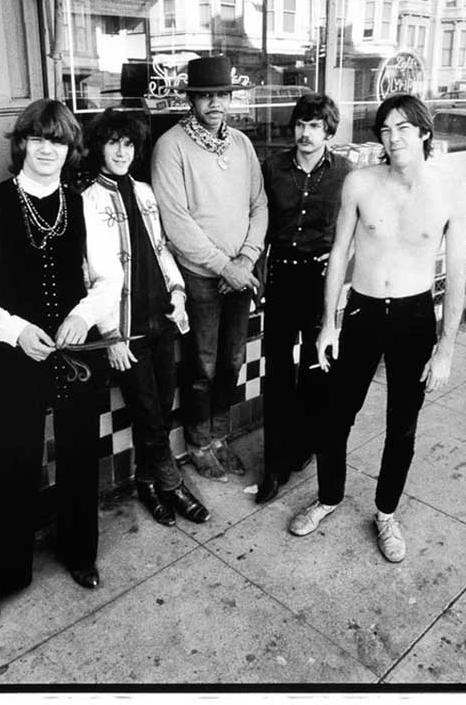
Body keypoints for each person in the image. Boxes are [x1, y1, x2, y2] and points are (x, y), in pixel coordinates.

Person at [0, 98, 122, 636]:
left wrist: (82, 316)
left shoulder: (83, 204)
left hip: (73, 355)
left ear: (71, 149)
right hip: (16, 354)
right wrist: (16, 330)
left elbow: (109, 279)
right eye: (39, 139)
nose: (49, 150)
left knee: (79, 455)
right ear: (22, 143)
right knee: (12, 463)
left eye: (60, 141)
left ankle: (79, 552)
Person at [289, 93, 466, 564]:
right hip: (362, 313)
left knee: (402, 426)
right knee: (335, 416)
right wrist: (328, 324)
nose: (393, 139)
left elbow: (458, 272)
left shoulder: (450, 190)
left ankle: (386, 513)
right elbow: (339, 254)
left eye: (403, 128)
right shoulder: (360, 183)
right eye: (386, 130)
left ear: (424, 132)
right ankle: (328, 497)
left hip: (415, 318)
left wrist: (446, 348)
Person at [81, 109, 210, 527]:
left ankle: (146, 481)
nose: (122, 152)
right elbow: (89, 275)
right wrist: (110, 335)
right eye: (113, 143)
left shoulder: (146, 192)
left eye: (129, 144)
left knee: (161, 405)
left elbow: (162, 248)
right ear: (99, 147)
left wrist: (178, 292)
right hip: (126, 327)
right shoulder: (88, 200)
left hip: (161, 318)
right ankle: (173, 485)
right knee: (149, 411)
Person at [151, 55, 268, 481]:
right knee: (201, 365)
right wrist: (224, 266)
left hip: (239, 272)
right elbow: (175, 222)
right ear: (192, 100)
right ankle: (199, 442)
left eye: (222, 95)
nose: (215, 103)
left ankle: (220, 436)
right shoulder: (171, 146)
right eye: (205, 96)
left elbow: (259, 204)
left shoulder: (241, 144)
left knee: (233, 361)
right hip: (201, 277)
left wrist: (246, 258)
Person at [256, 93, 350, 504]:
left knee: (316, 368)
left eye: (314, 125)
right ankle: (274, 466)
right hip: (281, 276)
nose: (305, 133)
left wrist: (344, 257)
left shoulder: (345, 172)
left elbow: (357, 226)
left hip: (320, 280)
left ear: (329, 130)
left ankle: (304, 446)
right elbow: (258, 220)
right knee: (277, 372)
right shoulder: (273, 168)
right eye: (300, 124)